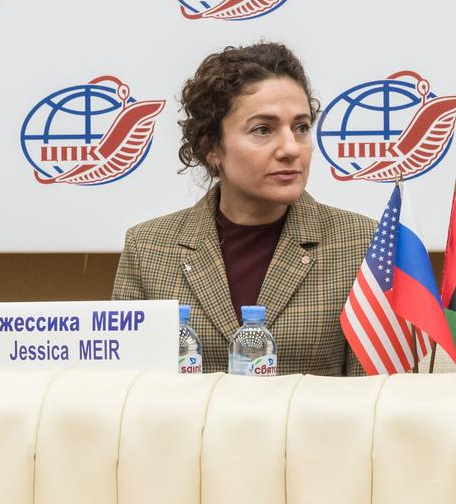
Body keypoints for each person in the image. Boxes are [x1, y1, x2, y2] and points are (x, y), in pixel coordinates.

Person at [112, 42, 375, 375]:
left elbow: (377, 397)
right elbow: (127, 392)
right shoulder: (148, 249)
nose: (291, 149)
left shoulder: (363, 244)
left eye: (301, 127)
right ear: (211, 147)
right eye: (263, 129)